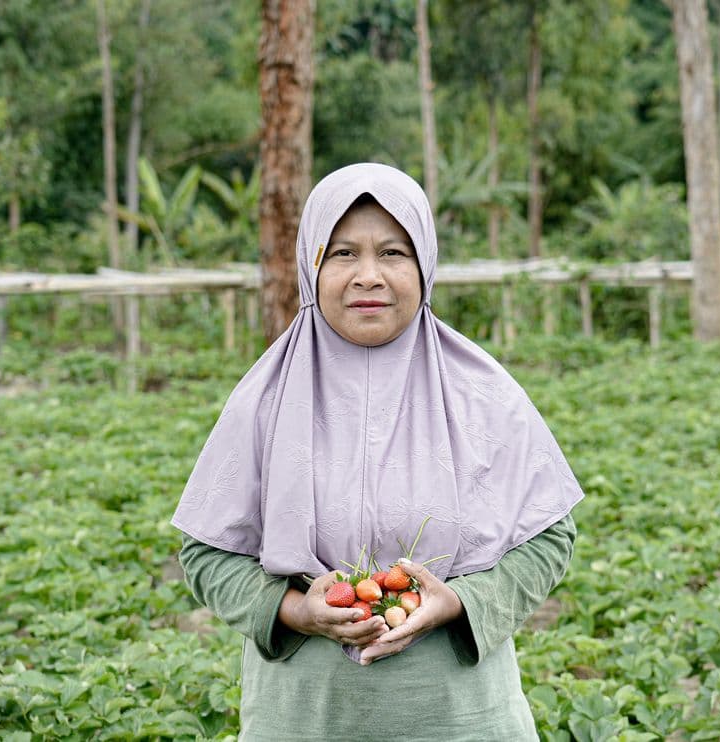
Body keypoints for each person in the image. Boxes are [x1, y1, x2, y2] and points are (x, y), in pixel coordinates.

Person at [171, 163, 583, 740]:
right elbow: (206, 554)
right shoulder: (264, 400)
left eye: (393, 253)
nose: (368, 276)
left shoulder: (483, 395)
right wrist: (298, 612)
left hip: (461, 720)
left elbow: (549, 538)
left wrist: (457, 602)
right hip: (304, 720)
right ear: (311, 266)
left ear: (425, 265)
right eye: (343, 253)